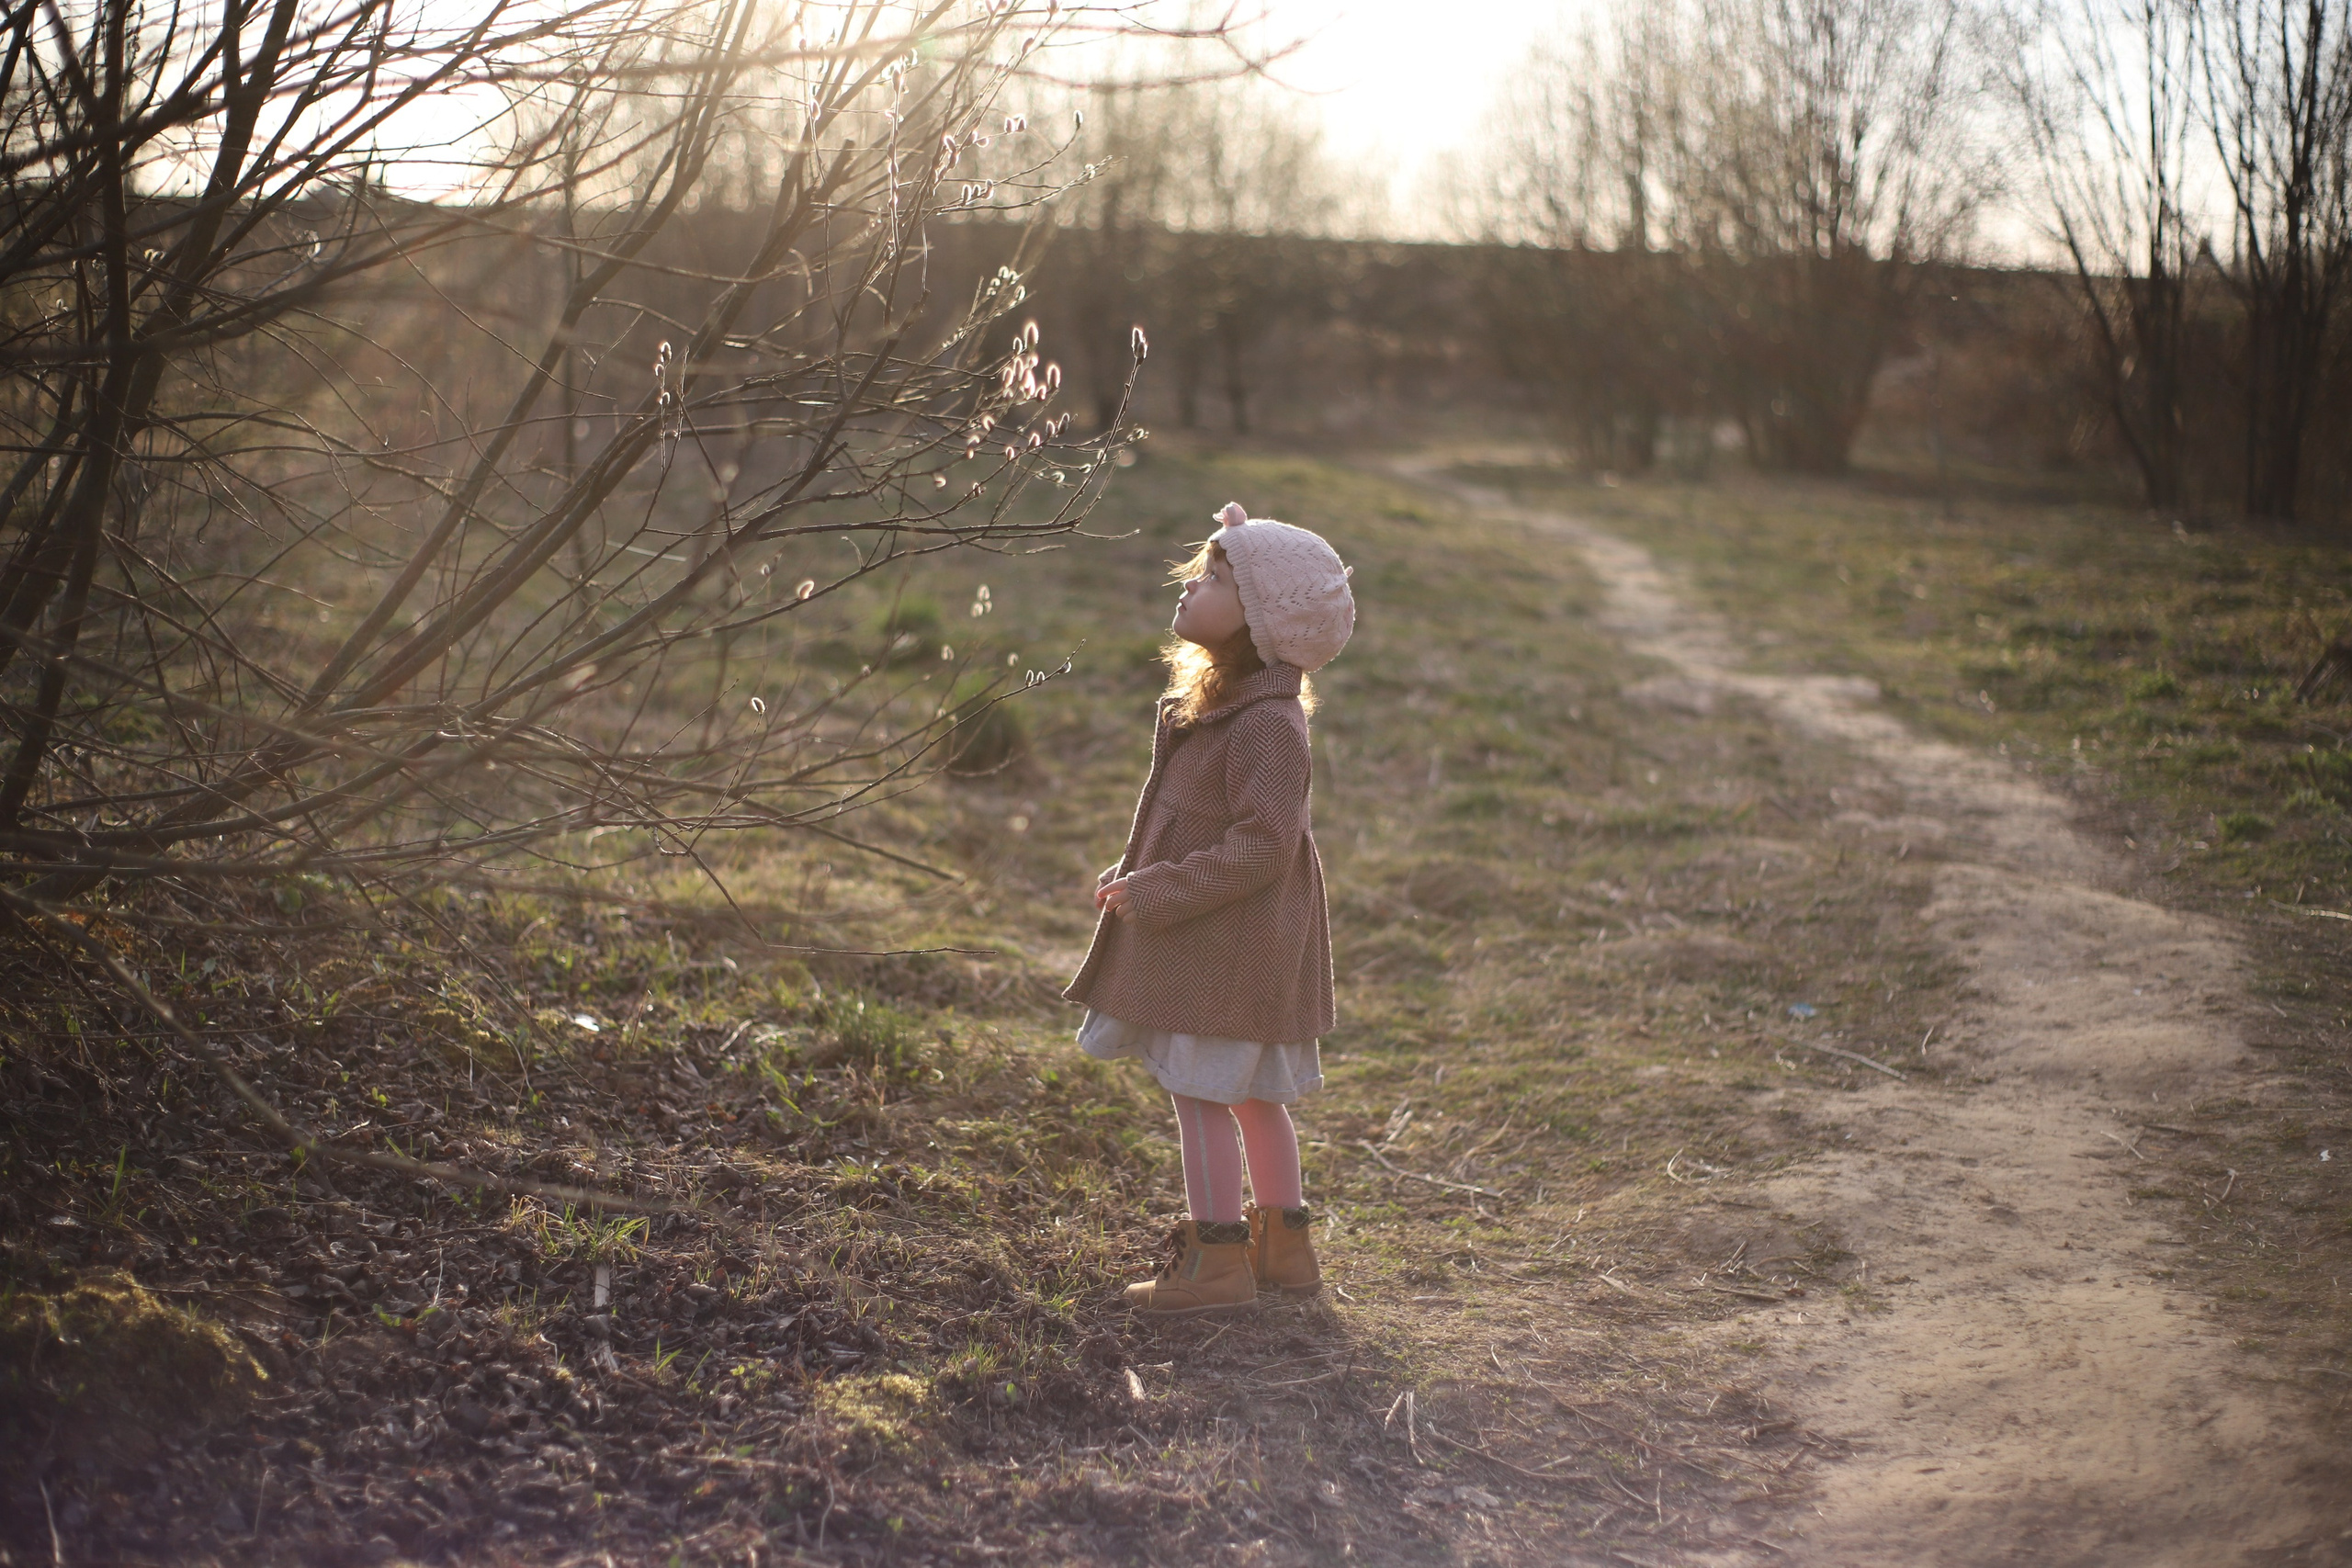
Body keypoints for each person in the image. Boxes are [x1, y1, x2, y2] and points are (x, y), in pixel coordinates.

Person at [1065, 501, 1356, 1316]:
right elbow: (1196, 821)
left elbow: (1262, 846)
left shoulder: (1267, 725)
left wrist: (1160, 888)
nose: (1192, 585)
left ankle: (1217, 1261)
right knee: (1252, 1094)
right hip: (1228, 933)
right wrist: (1138, 867)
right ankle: (1285, 1252)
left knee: (1202, 1095)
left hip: (1229, 943)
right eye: (1201, 570)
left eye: (1218, 577)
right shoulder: (1230, 706)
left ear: (1262, 620)